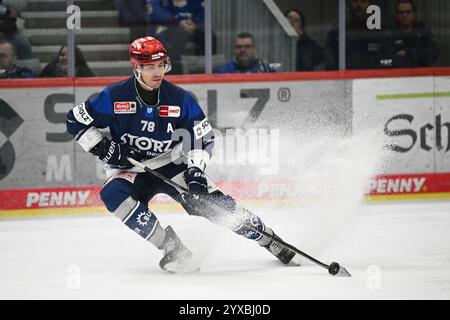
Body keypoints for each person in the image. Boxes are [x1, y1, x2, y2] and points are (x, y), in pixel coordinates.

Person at [66, 37, 296, 272]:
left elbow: (203, 137)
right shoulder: (114, 95)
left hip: (170, 163)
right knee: (113, 195)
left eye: (161, 65)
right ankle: (171, 247)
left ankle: (270, 239)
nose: (158, 72)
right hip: (128, 168)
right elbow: (74, 120)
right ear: (136, 67)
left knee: (215, 206)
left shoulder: (179, 98)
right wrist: (103, 149)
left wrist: (196, 171)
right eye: (150, 67)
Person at [147, 0, 215, 74]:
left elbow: (203, 12)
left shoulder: (196, 2)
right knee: (179, 33)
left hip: (190, 28)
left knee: (207, 34)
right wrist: (178, 22)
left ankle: (207, 69)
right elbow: (159, 14)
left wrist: (194, 22)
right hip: (165, 31)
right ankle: (172, 71)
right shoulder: (158, 2)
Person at [325, 0, 390, 70]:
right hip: (346, 76)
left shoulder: (377, 26)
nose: (359, 5)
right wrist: (335, 74)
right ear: (350, 4)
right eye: (355, 1)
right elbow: (329, 51)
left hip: (373, 76)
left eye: (363, 1)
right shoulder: (341, 25)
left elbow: (387, 53)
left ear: (369, 4)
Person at [386, 0, 438, 68]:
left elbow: (432, 54)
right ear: (396, 15)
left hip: (422, 73)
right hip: (397, 74)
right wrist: (417, 53)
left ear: (413, 14)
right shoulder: (390, 34)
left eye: (408, 12)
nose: (405, 15)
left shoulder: (423, 31)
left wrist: (407, 53)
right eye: (401, 12)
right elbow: (389, 58)